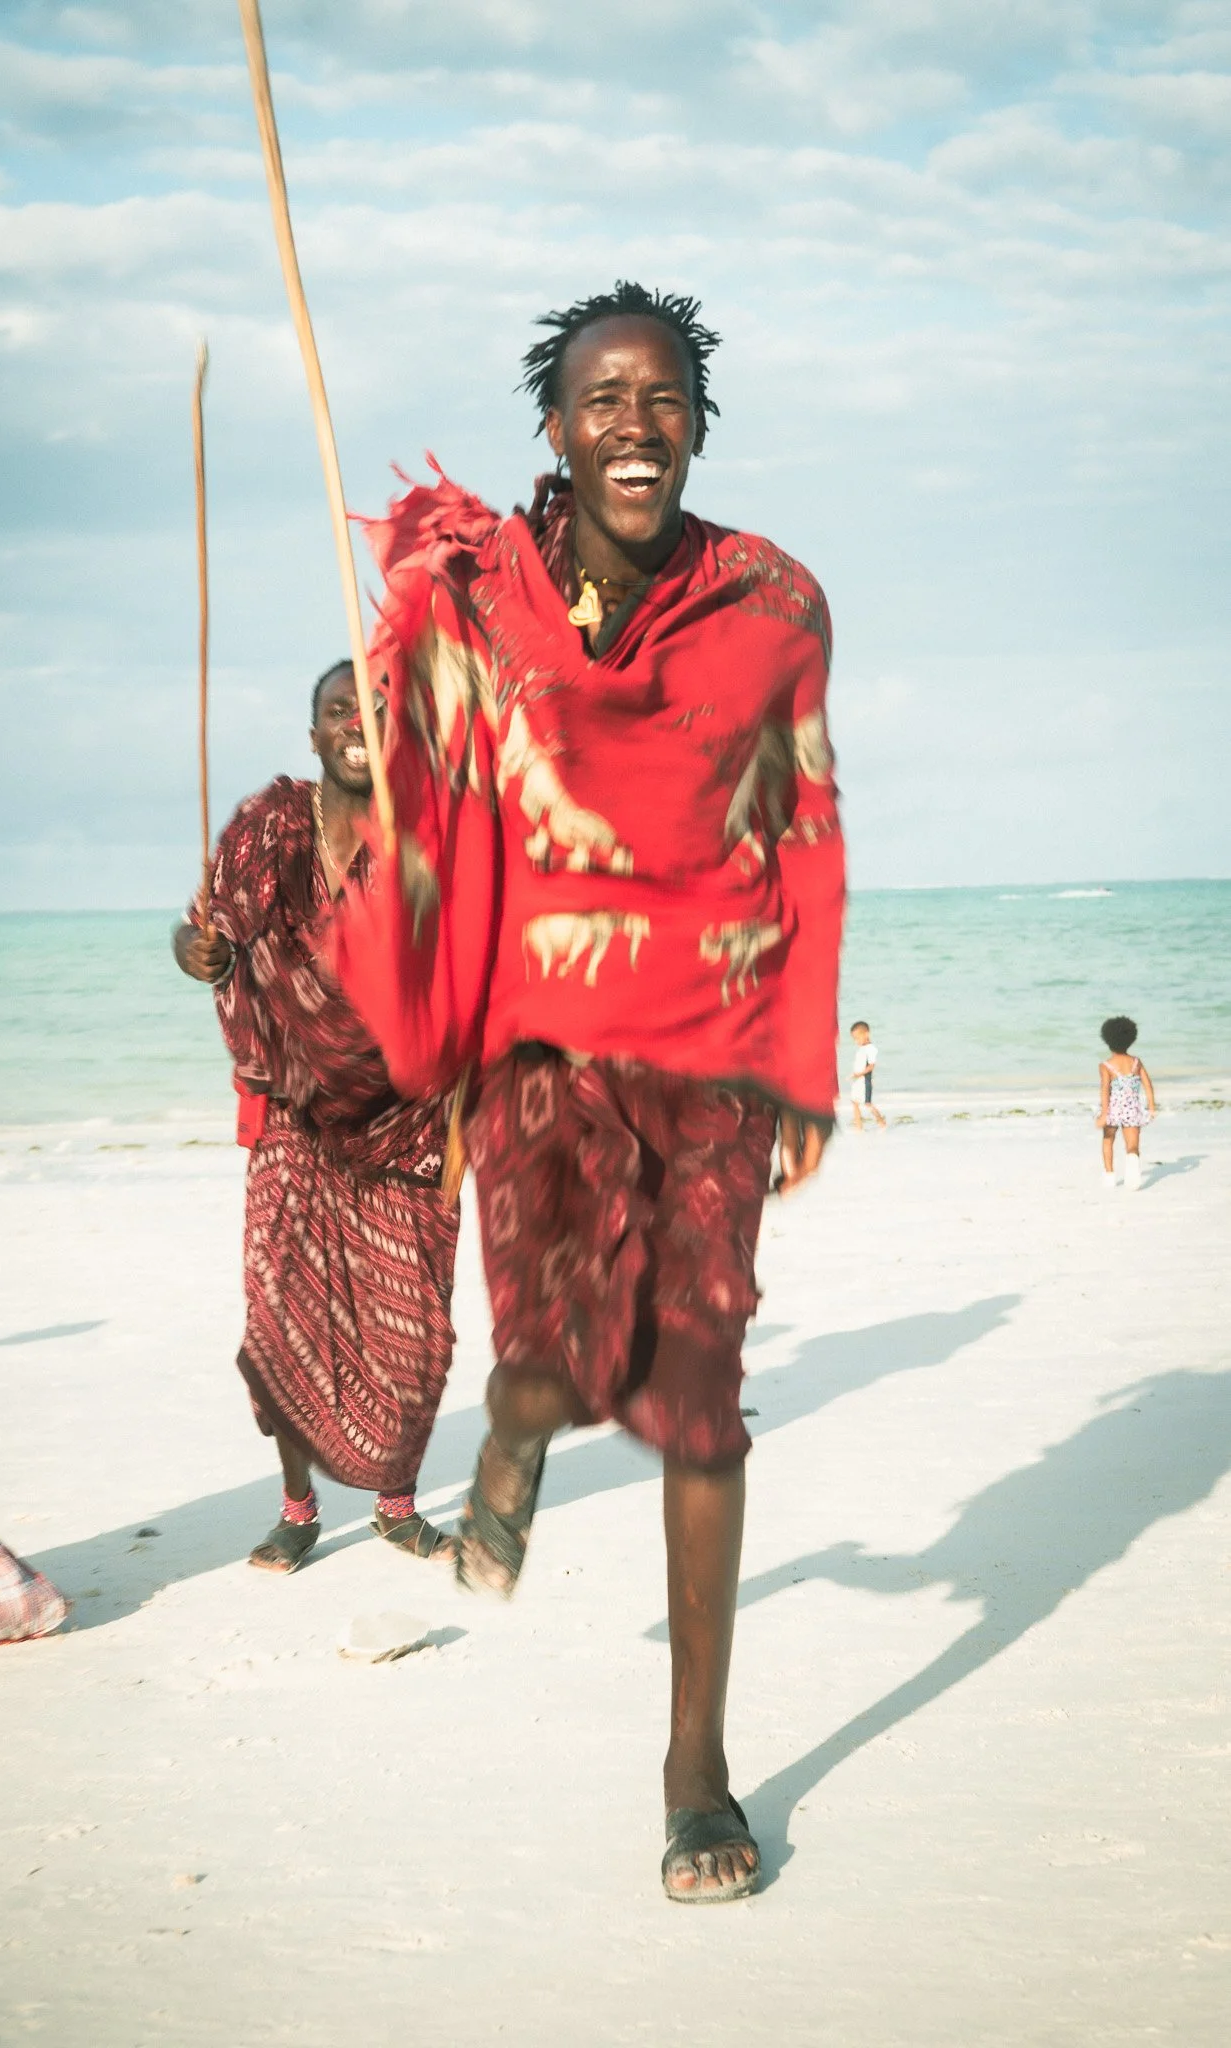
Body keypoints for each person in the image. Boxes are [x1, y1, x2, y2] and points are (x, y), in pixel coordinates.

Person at [336, 281, 845, 1902]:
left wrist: (809, 1052)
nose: (636, 424)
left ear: (699, 417)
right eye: (601, 399)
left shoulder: (773, 599)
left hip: (713, 1044)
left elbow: (808, 822)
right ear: (554, 426)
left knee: (700, 1395)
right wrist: (403, 632)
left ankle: (697, 1768)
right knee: (553, 1334)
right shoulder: (482, 595)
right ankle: (520, 1423)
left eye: (664, 396)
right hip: (543, 1030)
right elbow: (431, 779)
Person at [174, 662, 459, 1572]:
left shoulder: (430, 838)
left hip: (408, 1122)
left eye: (375, 714)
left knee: (412, 1326)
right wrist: (194, 949)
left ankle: (396, 1504)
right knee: (281, 1310)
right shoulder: (267, 828)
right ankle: (298, 1511)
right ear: (313, 736)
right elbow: (210, 938)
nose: (356, 724)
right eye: (340, 711)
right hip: (293, 1114)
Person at [1096, 1014, 1156, 1189]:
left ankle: (1109, 1175)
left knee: (1108, 1140)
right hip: (1132, 1109)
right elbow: (1147, 1084)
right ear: (1131, 1038)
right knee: (1133, 1145)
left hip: (1113, 1109)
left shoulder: (1106, 1066)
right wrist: (1151, 1107)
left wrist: (1104, 1114)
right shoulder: (1136, 1062)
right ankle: (1133, 1172)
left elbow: (1105, 1090)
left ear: (1107, 1040)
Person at [848, 1020, 885, 1131]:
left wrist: (858, 1074)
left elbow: (871, 1066)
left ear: (866, 1034)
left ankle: (881, 1121)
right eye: (854, 1039)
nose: (856, 1041)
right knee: (854, 1102)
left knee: (868, 1104)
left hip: (865, 1081)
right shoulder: (862, 1049)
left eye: (858, 1038)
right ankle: (859, 1126)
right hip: (858, 1080)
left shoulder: (871, 1049)